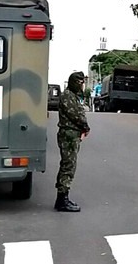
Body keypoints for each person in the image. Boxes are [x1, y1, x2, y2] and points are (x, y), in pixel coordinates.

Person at [54, 71, 90, 212]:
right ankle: (62, 199)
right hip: (68, 135)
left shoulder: (73, 96)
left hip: (72, 134)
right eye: (80, 82)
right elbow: (76, 115)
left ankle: (63, 198)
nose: (82, 85)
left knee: (69, 165)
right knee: (68, 166)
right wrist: (85, 127)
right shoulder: (68, 96)